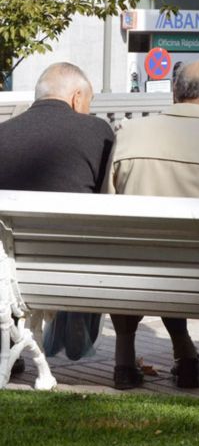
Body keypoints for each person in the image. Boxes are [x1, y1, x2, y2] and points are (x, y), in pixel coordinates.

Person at [104, 60, 199, 390]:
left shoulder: (129, 135)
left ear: (174, 93)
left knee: (143, 252)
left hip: (139, 273)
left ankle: (124, 362)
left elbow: (109, 205)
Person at [0, 62, 114, 369]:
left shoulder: (2, 133)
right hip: (71, 272)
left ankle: (10, 342)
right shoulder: (98, 132)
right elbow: (108, 202)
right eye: (88, 104)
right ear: (77, 97)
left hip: (8, 275)